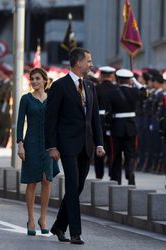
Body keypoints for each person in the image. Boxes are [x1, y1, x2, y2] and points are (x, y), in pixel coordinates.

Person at [45, 47, 105, 245]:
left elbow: (95, 118)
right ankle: (75, 233)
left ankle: (59, 226)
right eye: (89, 61)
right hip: (67, 145)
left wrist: (99, 143)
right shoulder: (60, 86)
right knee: (72, 185)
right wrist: (52, 146)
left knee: (77, 187)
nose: (91, 64)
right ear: (78, 63)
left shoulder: (89, 86)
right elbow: (51, 119)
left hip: (86, 145)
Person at [17, 67, 59, 236]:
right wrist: (20, 144)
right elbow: (20, 123)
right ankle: (31, 219)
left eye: (37, 79)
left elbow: (57, 122)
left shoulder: (52, 99)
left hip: (49, 144)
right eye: (32, 79)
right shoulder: (26, 99)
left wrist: (58, 145)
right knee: (32, 182)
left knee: (46, 180)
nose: (34, 82)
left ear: (44, 80)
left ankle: (43, 218)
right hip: (31, 143)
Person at [106, 68, 147, 185]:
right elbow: (146, 93)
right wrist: (137, 83)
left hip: (116, 126)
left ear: (118, 80)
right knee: (130, 153)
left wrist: (108, 126)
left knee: (116, 153)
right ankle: (130, 174)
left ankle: (116, 178)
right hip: (131, 126)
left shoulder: (112, 93)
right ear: (130, 80)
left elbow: (109, 113)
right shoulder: (135, 92)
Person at [94, 66, 116, 179]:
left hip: (98, 120)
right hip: (112, 121)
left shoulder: (96, 88)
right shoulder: (116, 89)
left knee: (98, 147)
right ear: (112, 76)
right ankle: (112, 173)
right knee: (112, 148)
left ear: (101, 76)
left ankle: (99, 174)